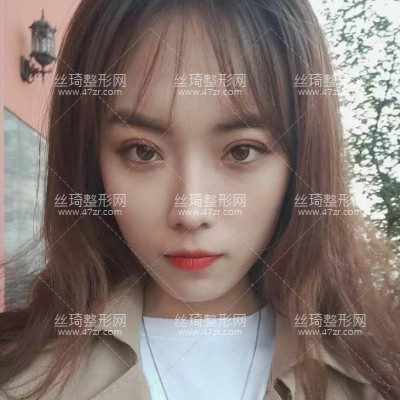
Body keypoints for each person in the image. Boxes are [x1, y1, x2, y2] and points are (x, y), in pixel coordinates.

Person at [0, 0, 399, 399]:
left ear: (302, 163)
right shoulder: (18, 376)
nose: (191, 212)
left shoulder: (375, 380)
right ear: (90, 164)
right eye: (143, 151)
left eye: (242, 151)